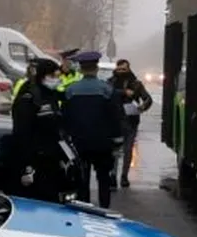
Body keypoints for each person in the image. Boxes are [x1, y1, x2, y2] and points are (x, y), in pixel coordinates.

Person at [61, 50, 124, 208]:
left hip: (79, 143)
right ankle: (104, 209)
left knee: (82, 179)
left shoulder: (70, 91)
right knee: (103, 179)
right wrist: (117, 142)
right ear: (96, 68)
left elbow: (65, 118)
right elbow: (116, 118)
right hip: (103, 143)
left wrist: (67, 138)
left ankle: (84, 208)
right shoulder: (108, 90)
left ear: (81, 70)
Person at [8, 58, 72, 202]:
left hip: (52, 160)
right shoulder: (29, 98)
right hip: (36, 161)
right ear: (43, 76)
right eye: (53, 76)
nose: (57, 80)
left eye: (58, 76)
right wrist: (27, 166)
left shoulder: (51, 95)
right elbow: (21, 133)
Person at [108, 58, 153, 189]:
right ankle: (113, 175)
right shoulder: (111, 82)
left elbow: (148, 99)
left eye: (124, 69)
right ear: (116, 69)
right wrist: (123, 92)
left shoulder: (136, 83)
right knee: (114, 150)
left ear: (129, 69)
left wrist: (141, 108)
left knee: (128, 150)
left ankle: (124, 176)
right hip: (114, 121)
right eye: (119, 69)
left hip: (131, 121)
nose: (121, 71)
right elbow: (107, 93)